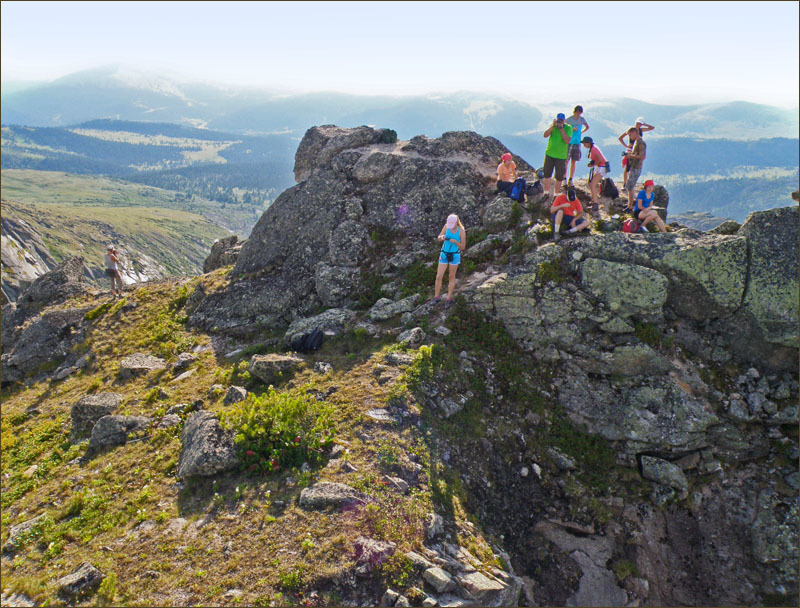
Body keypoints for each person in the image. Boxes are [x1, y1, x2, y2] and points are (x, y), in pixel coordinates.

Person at [433, 214, 467, 309]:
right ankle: (436, 297)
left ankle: (448, 299)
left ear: (457, 222)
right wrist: (442, 237)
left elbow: (463, 247)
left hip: (455, 255)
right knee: (439, 276)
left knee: (451, 276)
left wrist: (455, 242)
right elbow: (439, 237)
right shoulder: (446, 226)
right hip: (444, 254)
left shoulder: (461, 231)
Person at [542, 113, 573, 200]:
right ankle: (546, 192)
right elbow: (545, 135)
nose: (560, 121)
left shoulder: (568, 128)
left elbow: (567, 140)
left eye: (561, 120)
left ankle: (556, 194)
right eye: (559, 119)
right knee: (547, 174)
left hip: (561, 156)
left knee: (559, 176)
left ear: (564, 120)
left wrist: (561, 129)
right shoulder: (553, 126)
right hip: (550, 154)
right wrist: (553, 126)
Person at [619, 118, 655, 190]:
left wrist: (644, 124)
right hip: (631, 150)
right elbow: (620, 138)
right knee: (627, 168)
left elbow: (652, 128)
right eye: (638, 123)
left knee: (634, 166)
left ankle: (630, 183)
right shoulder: (631, 130)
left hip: (637, 150)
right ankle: (625, 183)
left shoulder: (640, 130)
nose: (639, 125)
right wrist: (626, 146)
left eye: (640, 123)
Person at [623, 127, 647, 210]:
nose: (629, 137)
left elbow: (642, 156)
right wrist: (630, 154)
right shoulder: (636, 142)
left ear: (635, 133)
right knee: (630, 185)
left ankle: (630, 206)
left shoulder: (641, 143)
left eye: (630, 135)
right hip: (633, 166)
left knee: (630, 186)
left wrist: (630, 156)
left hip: (636, 167)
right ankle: (629, 204)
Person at [580, 136, 608, 208]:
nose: (584, 145)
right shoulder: (593, 148)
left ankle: (595, 203)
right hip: (602, 167)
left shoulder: (593, 149)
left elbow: (600, 160)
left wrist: (593, 165)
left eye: (584, 143)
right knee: (591, 183)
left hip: (602, 167)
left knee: (592, 184)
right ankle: (594, 200)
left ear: (588, 143)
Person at [565, 106, 589, 185]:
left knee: (573, 161)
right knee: (566, 161)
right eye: (578, 113)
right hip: (569, 142)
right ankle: (564, 177)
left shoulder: (581, 119)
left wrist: (581, 132)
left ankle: (570, 178)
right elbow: (564, 129)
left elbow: (587, 127)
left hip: (577, 142)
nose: (578, 114)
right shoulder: (569, 120)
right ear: (575, 112)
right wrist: (572, 129)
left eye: (580, 113)